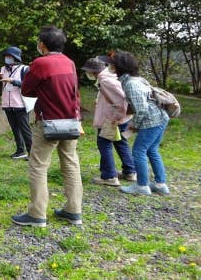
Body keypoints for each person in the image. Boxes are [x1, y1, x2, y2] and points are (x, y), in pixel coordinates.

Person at [11, 26, 83, 228]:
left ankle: (37, 214)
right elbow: (75, 92)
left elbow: (27, 90)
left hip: (48, 122)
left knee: (38, 166)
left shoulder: (41, 63)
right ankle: (73, 211)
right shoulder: (69, 62)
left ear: (42, 44)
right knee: (70, 164)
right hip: (70, 122)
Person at [111, 51, 170, 196]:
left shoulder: (131, 84)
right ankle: (160, 185)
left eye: (112, 64)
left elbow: (141, 110)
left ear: (120, 66)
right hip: (160, 118)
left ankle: (142, 186)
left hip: (152, 121)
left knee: (138, 151)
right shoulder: (136, 79)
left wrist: (133, 126)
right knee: (152, 150)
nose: (110, 66)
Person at [82, 58, 136, 187]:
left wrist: (116, 118)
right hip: (121, 117)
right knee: (120, 142)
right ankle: (130, 171)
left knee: (104, 144)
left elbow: (120, 99)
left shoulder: (105, 80)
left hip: (111, 118)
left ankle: (109, 176)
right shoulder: (111, 76)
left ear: (92, 71)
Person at [0, 46, 32, 159]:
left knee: (25, 129)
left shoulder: (24, 69)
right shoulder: (3, 69)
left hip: (20, 104)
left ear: (16, 57)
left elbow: (28, 85)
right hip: (7, 104)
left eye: (9, 56)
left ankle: (32, 153)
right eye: (6, 56)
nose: (7, 58)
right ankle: (20, 151)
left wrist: (13, 81)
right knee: (15, 129)